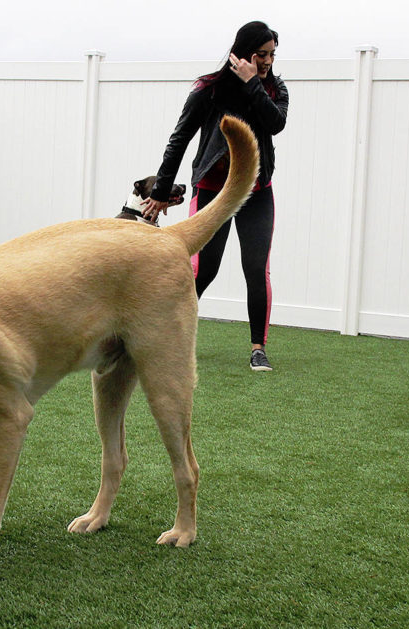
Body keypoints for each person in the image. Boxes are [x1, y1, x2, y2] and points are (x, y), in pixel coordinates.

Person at [143, 21, 288, 372]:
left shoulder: (273, 89)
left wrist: (253, 82)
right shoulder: (209, 89)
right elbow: (180, 139)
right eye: (261, 54)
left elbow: (275, 124)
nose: (267, 61)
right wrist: (162, 190)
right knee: (203, 269)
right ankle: (168, 337)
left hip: (256, 193)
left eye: (271, 55)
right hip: (212, 191)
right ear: (242, 51)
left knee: (256, 268)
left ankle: (258, 348)